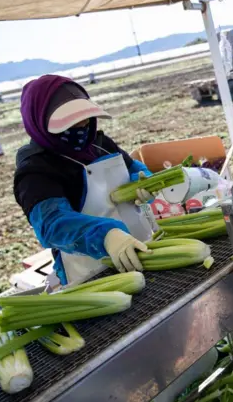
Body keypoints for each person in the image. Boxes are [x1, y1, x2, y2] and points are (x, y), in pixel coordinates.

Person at [14, 75, 156, 287]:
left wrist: (144, 183)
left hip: (142, 249)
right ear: (39, 121)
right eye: (70, 122)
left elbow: (135, 168)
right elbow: (52, 224)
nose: (81, 126)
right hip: (92, 274)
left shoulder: (100, 143)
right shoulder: (35, 170)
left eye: (85, 118)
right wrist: (106, 236)